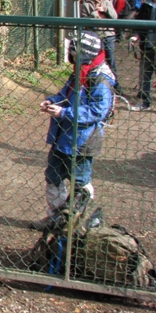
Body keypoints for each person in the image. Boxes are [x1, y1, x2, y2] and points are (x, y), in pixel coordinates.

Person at [30, 31, 115, 230]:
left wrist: (63, 112)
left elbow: (97, 111)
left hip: (82, 141)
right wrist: (52, 101)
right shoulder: (80, 71)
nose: (73, 59)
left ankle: (77, 222)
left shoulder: (101, 79)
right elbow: (64, 93)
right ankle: (56, 218)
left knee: (80, 182)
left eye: (76, 55)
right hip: (63, 137)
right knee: (53, 176)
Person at [80, 0, 122, 94]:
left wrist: (105, 9)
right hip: (95, 38)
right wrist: (95, 12)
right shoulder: (86, 5)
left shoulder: (107, 2)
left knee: (111, 61)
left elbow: (115, 16)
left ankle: (116, 87)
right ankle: (92, 86)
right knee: (94, 62)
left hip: (108, 36)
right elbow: (85, 22)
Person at [129, 0, 156, 111]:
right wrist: (135, 36)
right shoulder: (146, 6)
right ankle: (145, 102)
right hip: (147, 46)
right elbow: (139, 25)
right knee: (145, 75)